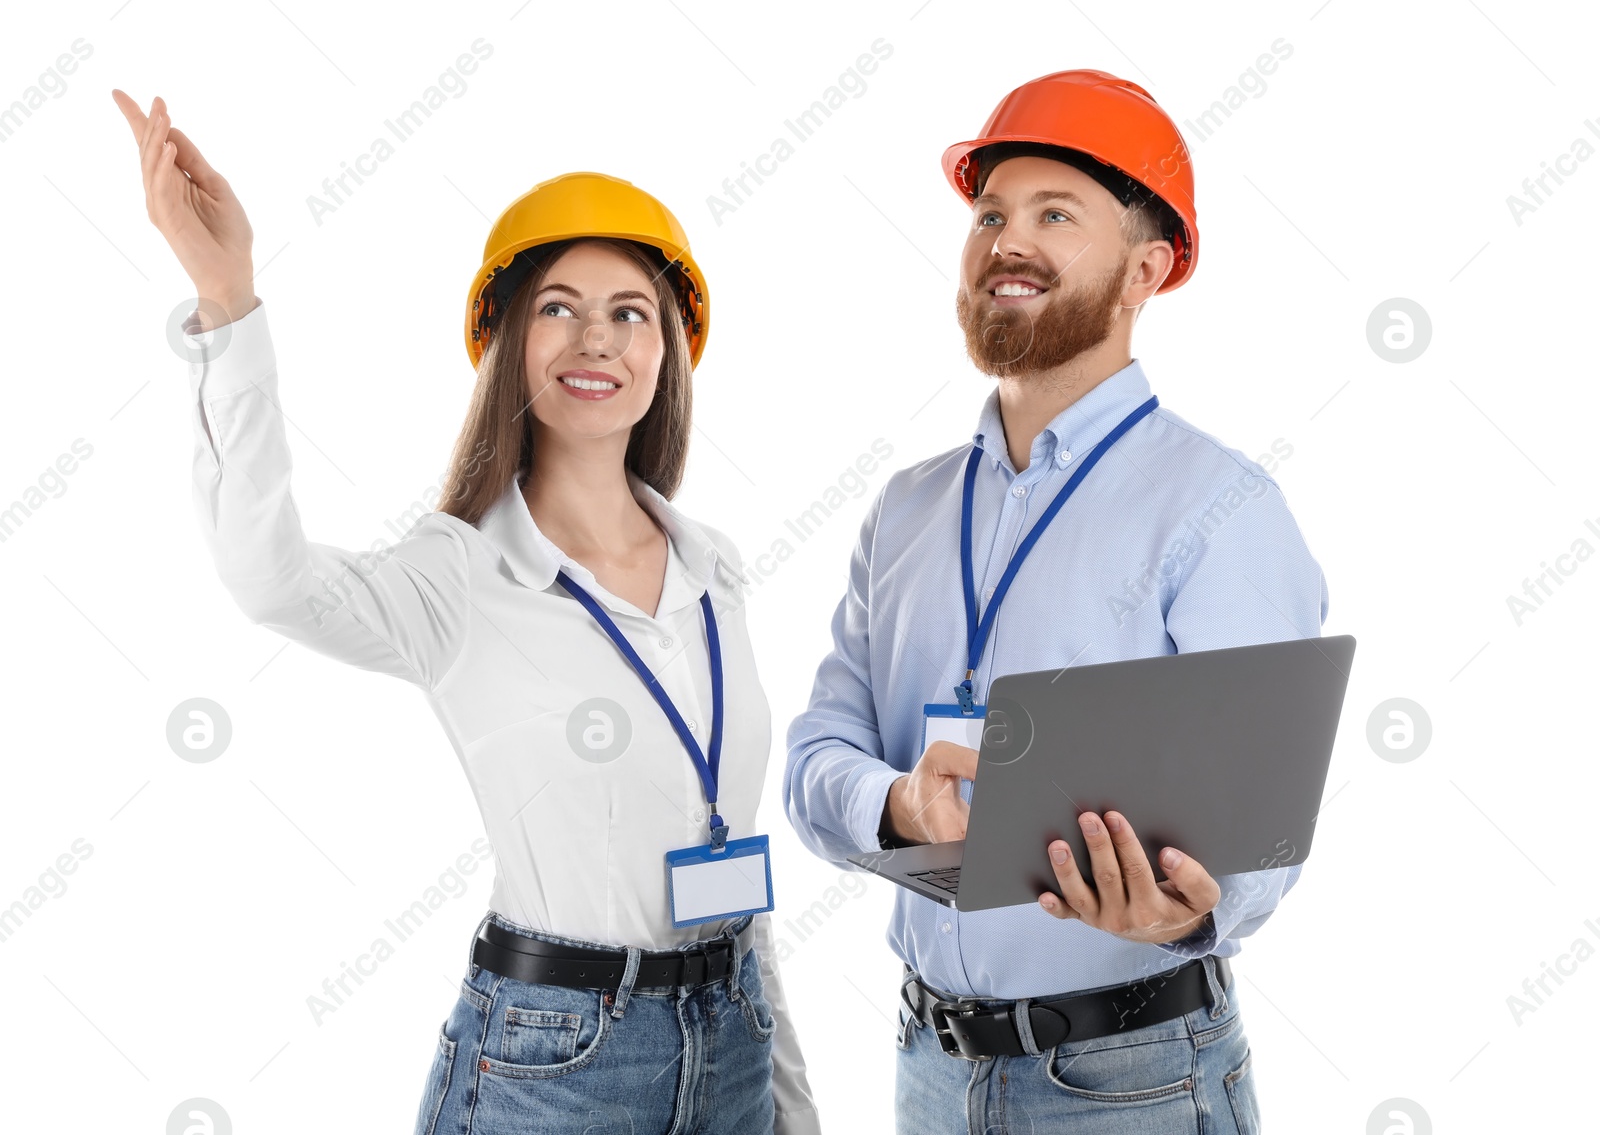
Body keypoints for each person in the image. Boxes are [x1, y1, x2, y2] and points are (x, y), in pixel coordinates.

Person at [112, 90, 819, 1135]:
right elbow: (268, 576)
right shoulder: (458, 574)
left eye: (630, 311)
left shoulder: (715, 574)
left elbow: (737, 882)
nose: (597, 338)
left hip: (735, 1035)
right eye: (557, 306)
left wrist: (791, 1103)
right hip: (558, 1059)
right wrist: (227, 298)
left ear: (667, 348)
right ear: (507, 344)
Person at [783, 69, 1328, 1133]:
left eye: (1054, 215)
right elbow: (816, 753)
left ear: (1145, 269)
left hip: (1129, 1081)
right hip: (929, 1068)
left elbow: (1260, 840)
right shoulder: (905, 509)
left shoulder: (1221, 507)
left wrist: (1186, 906)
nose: (1005, 241)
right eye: (989, 213)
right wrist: (898, 805)